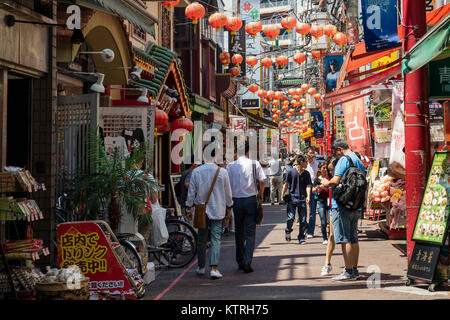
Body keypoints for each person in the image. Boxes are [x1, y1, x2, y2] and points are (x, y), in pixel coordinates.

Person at [320, 139, 365, 281]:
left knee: (345, 239)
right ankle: (355, 269)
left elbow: (335, 181)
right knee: (354, 238)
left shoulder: (343, 160)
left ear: (339, 149)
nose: (336, 155)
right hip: (356, 203)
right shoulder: (358, 160)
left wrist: (325, 182)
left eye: (336, 152)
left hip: (342, 205)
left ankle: (348, 271)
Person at [186, 147, 233, 279]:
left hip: (201, 210)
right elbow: (228, 193)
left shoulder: (196, 171)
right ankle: (213, 268)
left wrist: (188, 207)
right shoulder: (222, 172)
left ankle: (201, 267)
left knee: (201, 238)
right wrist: (230, 205)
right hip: (218, 208)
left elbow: (191, 192)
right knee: (215, 238)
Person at [226, 141, 266, 273]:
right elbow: (263, 180)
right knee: (250, 233)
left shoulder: (230, 166)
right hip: (250, 200)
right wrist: (260, 193)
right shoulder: (255, 164)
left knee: (239, 232)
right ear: (249, 151)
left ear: (237, 151)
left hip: (236, 201)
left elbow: (227, 185)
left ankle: (240, 260)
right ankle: (247, 261)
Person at [281, 154, 311, 245]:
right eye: (306, 162)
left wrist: (308, 196)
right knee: (290, 218)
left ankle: (301, 237)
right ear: (301, 162)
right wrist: (282, 195)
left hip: (302, 199)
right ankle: (288, 230)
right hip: (292, 198)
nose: (307, 164)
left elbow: (308, 185)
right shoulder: (290, 172)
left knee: (302, 220)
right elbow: (286, 184)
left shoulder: (306, 173)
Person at [320, 156, 339, 276]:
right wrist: (320, 189)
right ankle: (327, 264)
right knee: (331, 235)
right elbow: (327, 190)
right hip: (333, 208)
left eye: (332, 170)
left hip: (342, 208)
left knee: (344, 239)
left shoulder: (339, 177)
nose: (330, 172)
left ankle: (350, 267)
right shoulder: (329, 178)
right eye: (329, 169)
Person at [312, 161, 330, 244]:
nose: (325, 170)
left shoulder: (330, 178)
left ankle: (330, 237)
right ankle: (325, 238)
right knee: (323, 221)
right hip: (320, 202)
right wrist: (316, 189)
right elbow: (313, 190)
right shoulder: (317, 179)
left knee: (330, 221)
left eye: (326, 168)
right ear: (320, 169)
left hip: (329, 201)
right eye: (324, 168)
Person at [177, 156, 198, 222]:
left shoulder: (184, 172)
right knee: (190, 224)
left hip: (183, 201)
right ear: (193, 164)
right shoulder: (191, 173)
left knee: (186, 223)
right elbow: (186, 184)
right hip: (188, 203)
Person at [305, 147, 319, 239]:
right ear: (306, 154)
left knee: (312, 212)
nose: (312, 154)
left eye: (313, 152)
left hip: (315, 188)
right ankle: (306, 227)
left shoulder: (317, 164)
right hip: (305, 189)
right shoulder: (304, 164)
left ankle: (310, 231)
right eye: (310, 153)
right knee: (302, 212)